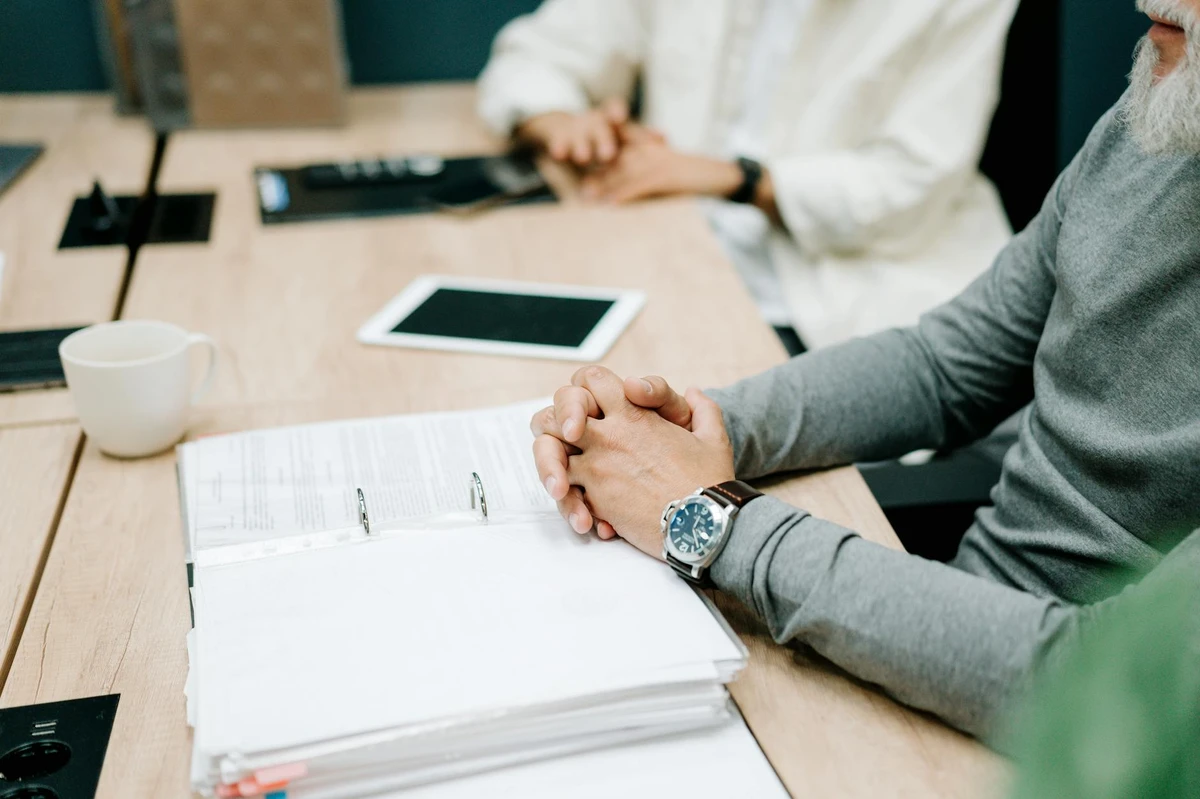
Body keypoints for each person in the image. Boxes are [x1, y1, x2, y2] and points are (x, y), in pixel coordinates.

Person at [528, 0, 1200, 742]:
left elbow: (1091, 680)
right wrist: (684, 430)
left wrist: (712, 521)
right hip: (932, 647)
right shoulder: (1158, 121)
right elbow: (944, 367)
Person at [477, 0, 1017, 352]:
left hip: (853, 297)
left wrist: (732, 178)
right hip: (670, 255)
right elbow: (540, 55)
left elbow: (910, 185)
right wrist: (562, 122)